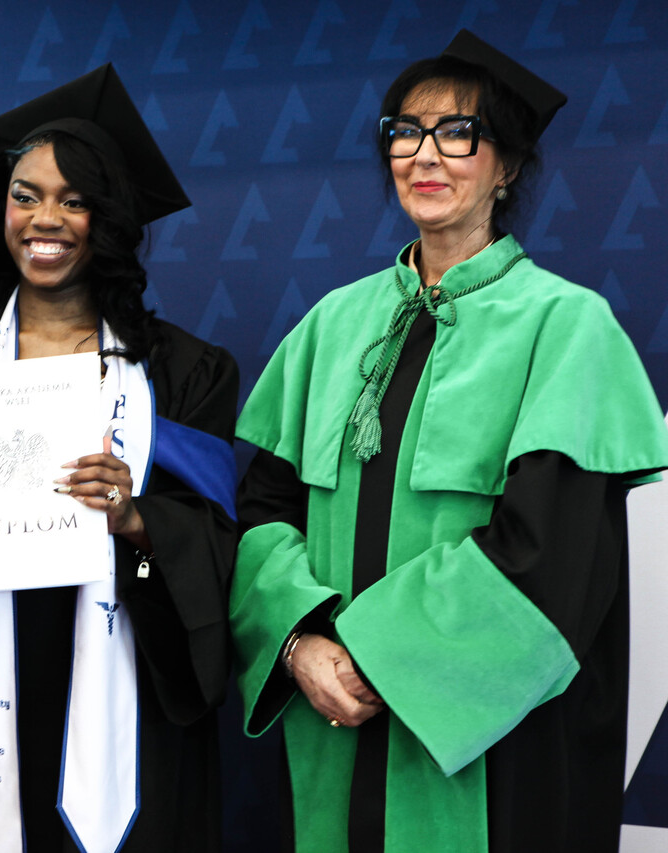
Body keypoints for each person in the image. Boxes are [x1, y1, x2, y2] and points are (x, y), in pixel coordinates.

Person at [229, 29, 668, 853]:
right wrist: (299, 643)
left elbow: (553, 556)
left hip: (493, 743)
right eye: (406, 131)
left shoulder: (564, 326)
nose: (425, 154)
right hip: (332, 716)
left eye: (459, 132)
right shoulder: (332, 324)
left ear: (507, 166)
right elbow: (262, 510)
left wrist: (376, 656)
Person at [0, 65, 239, 852]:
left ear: (110, 219)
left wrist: (138, 525)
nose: (46, 219)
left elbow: (197, 568)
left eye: (75, 200)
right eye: (26, 195)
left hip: (126, 697)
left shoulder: (182, 377)